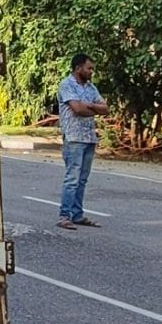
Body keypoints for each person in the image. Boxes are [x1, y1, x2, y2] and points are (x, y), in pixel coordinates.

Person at [55, 54, 107, 227]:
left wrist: (90, 106)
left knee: (82, 179)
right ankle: (64, 216)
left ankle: (77, 214)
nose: (91, 71)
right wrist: (93, 108)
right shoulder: (67, 84)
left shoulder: (91, 87)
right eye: (89, 68)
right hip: (74, 137)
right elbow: (77, 109)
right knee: (72, 178)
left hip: (89, 136)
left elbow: (105, 108)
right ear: (78, 68)